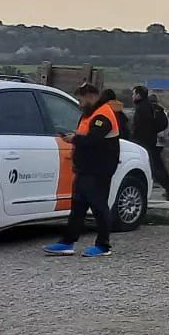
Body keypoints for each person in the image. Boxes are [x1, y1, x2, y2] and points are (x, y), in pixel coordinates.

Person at [44, 84, 121, 258]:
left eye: (81, 99)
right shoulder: (89, 114)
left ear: (91, 97)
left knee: (99, 206)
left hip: (98, 169)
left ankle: (103, 245)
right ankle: (67, 242)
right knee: (78, 206)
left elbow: (93, 139)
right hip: (85, 168)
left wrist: (75, 139)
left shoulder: (103, 115)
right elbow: (86, 136)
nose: (79, 103)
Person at [129, 86, 169, 198]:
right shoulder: (149, 107)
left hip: (144, 142)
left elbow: (139, 127)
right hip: (151, 140)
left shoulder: (142, 108)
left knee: (155, 168)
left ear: (139, 95)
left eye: (134, 94)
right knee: (157, 166)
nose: (132, 96)